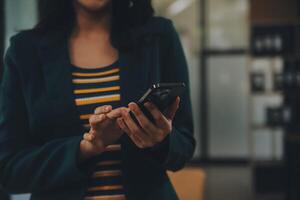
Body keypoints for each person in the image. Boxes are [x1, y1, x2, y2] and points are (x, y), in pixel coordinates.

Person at [0, 0, 195, 199]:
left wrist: (161, 141)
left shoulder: (159, 36)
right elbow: (9, 171)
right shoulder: (24, 51)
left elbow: (184, 148)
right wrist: (87, 147)